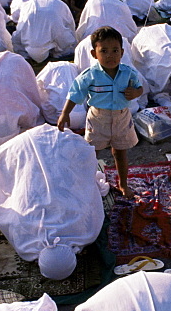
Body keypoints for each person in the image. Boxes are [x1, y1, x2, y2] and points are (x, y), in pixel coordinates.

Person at [58, 26, 143, 198]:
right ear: (94, 54)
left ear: (122, 52)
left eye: (115, 50)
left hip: (121, 117)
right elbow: (76, 93)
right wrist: (65, 113)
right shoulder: (89, 75)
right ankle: (88, 183)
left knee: (120, 152)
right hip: (98, 118)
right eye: (104, 51)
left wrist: (135, 93)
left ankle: (123, 184)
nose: (110, 55)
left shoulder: (128, 73)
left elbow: (139, 88)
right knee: (91, 153)